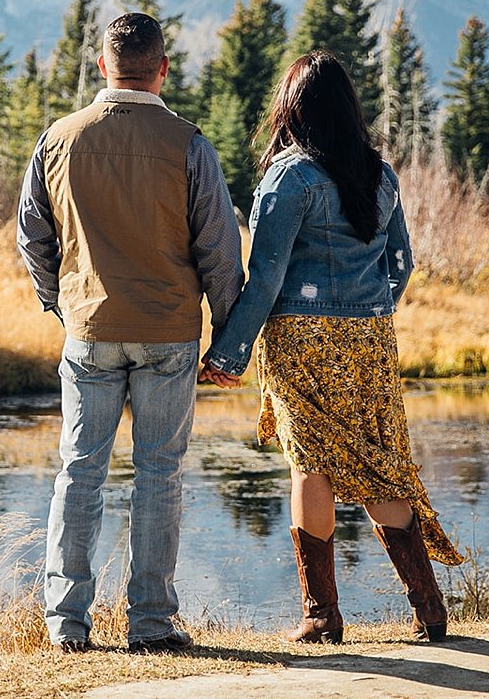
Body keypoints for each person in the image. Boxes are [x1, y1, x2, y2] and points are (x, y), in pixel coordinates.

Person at [199, 50, 464, 645]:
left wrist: (229, 353)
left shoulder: (289, 176)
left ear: (291, 109)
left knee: (311, 463)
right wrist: (370, 307)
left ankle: (321, 615)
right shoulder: (380, 173)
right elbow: (403, 262)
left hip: (302, 338)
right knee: (377, 463)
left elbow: (264, 276)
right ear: (348, 109)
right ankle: (428, 607)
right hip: (369, 338)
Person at [17, 12, 243, 654]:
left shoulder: (58, 139)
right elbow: (220, 251)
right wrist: (228, 341)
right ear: (163, 69)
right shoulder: (189, 144)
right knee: (159, 474)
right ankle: (149, 624)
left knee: (79, 472)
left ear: (102, 67)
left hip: (89, 329)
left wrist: (63, 303)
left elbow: (31, 237)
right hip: (169, 334)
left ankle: (66, 624)